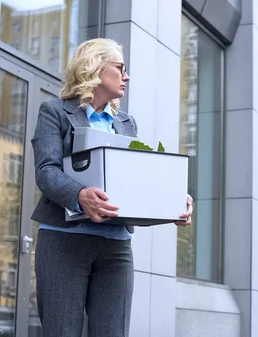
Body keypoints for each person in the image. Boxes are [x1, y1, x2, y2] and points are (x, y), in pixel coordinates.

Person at [30, 38, 193, 337]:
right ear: (95, 67)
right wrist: (79, 195)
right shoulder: (54, 112)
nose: (127, 76)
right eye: (120, 68)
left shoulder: (127, 124)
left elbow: (136, 181)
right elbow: (46, 171)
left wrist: (172, 201)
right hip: (64, 243)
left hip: (116, 246)